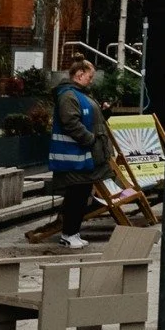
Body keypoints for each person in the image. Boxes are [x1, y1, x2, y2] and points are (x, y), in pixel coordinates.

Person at [47, 58, 115, 248]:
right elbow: (71, 123)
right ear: (79, 74)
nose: (91, 80)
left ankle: (72, 233)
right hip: (76, 158)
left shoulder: (78, 94)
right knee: (76, 196)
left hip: (82, 157)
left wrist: (104, 114)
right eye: (90, 76)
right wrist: (90, 139)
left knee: (80, 195)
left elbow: (87, 120)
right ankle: (69, 234)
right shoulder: (69, 95)